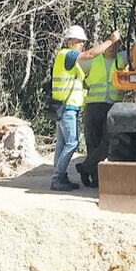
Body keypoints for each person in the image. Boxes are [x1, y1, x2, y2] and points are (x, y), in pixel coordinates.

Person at [51, 25, 120, 191]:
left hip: (65, 107)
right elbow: (90, 54)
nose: (82, 44)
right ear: (70, 42)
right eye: (78, 41)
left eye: (83, 42)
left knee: (62, 144)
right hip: (67, 107)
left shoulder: (70, 60)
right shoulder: (67, 55)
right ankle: (58, 177)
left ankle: (58, 176)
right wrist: (111, 41)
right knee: (72, 143)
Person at [76, 40, 126, 188]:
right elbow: (74, 64)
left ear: (118, 47)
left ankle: (86, 167)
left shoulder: (121, 59)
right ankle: (95, 178)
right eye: (109, 45)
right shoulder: (92, 60)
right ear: (103, 46)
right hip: (93, 105)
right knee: (93, 142)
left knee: (108, 142)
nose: (111, 48)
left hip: (112, 106)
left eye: (114, 45)